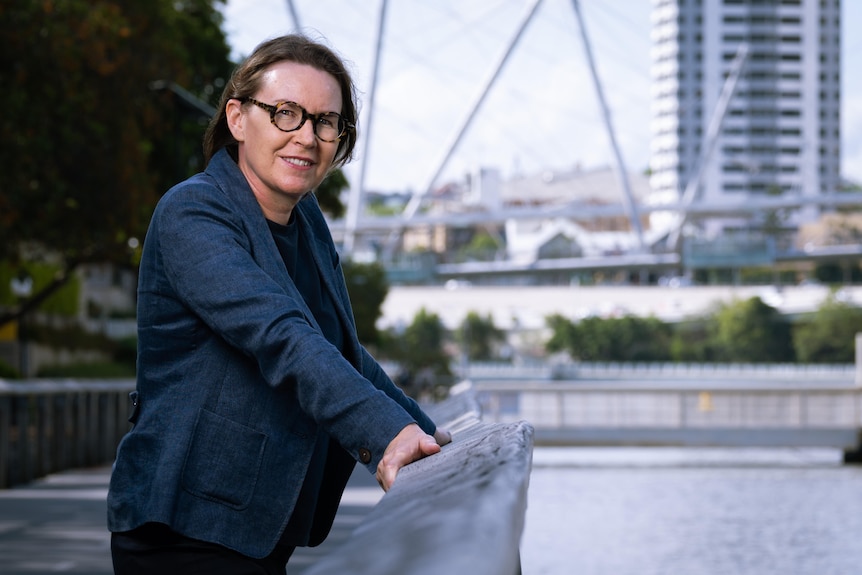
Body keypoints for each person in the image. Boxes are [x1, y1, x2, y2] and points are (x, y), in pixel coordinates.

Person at [107, 34, 451, 574]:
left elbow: (343, 352)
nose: (307, 137)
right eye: (285, 113)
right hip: (184, 527)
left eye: (325, 121)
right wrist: (385, 435)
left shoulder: (307, 221)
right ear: (238, 118)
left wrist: (428, 439)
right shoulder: (193, 214)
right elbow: (284, 337)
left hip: (258, 529)